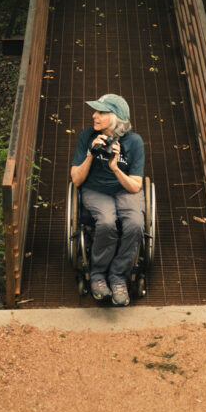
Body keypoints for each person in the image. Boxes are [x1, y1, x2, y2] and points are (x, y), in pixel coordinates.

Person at [70, 93, 145, 306]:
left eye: (101, 112)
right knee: (106, 222)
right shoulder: (87, 135)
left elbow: (136, 186)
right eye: (95, 111)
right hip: (95, 190)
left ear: (116, 117)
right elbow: (76, 180)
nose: (94, 116)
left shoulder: (134, 142)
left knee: (135, 224)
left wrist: (115, 168)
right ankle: (98, 275)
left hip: (124, 190)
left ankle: (118, 276)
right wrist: (91, 154)